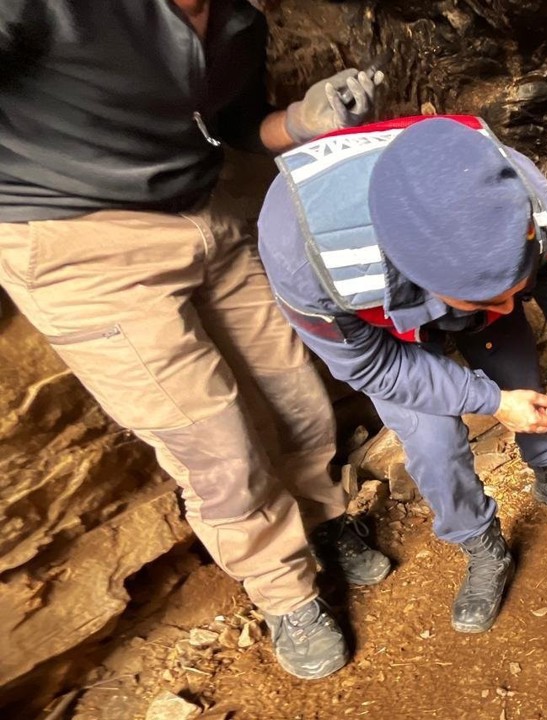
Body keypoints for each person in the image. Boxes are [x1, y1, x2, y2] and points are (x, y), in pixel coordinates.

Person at [0, 0, 391, 680]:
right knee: (216, 446)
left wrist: (305, 118)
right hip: (79, 246)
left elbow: (235, 123)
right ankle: (286, 592)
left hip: (204, 214)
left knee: (294, 392)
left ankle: (322, 520)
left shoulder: (237, 21)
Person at [257, 114, 547, 640]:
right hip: (383, 331)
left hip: (452, 279)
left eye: (515, 288)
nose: (508, 305)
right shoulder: (312, 262)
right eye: (487, 297)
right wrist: (489, 400)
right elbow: (373, 367)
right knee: (433, 441)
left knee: (518, 367)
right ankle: (482, 546)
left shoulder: (527, 205)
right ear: (421, 280)